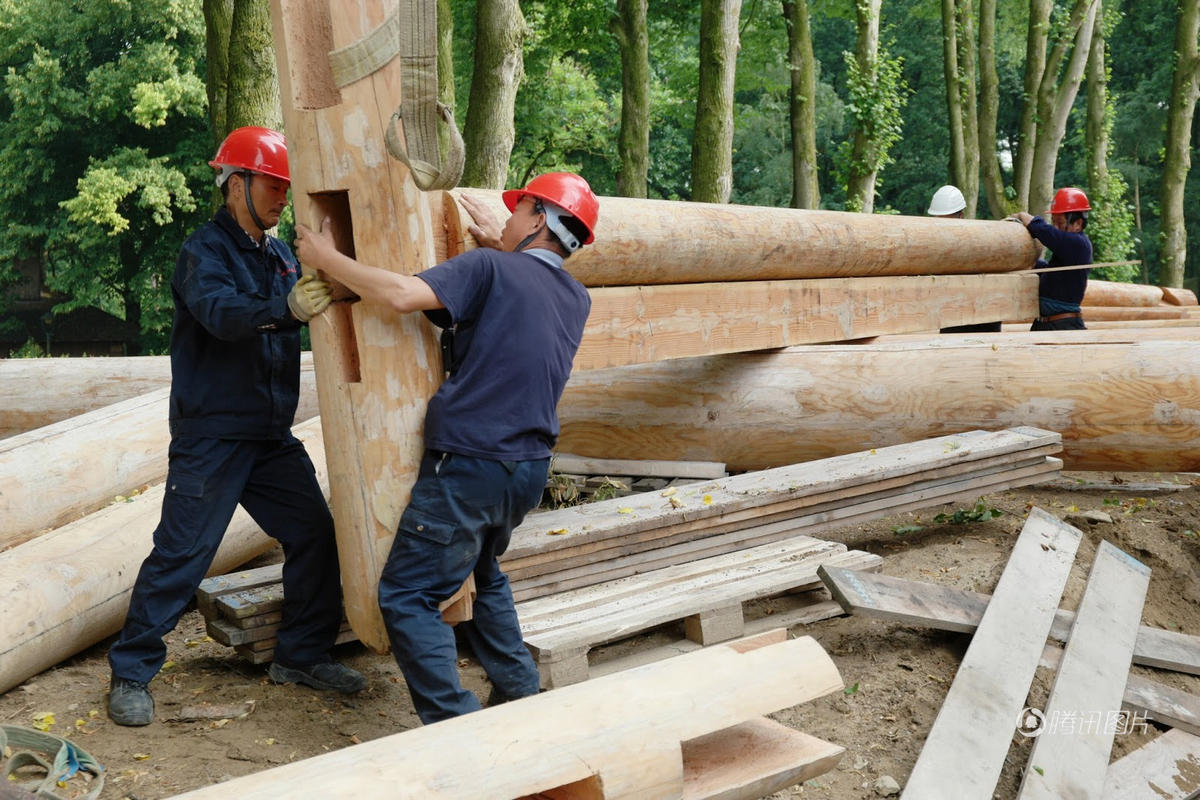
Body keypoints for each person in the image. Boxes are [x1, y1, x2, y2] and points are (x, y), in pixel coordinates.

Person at [293, 172, 598, 724]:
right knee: (482, 571)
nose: (504, 220)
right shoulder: (575, 298)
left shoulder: (489, 269)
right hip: (526, 470)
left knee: (407, 596)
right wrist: (497, 251)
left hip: (471, 462)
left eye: (516, 211)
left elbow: (403, 294)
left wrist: (324, 255)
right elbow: (508, 309)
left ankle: (456, 728)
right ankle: (519, 696)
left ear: (537, 219)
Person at [106, 126, 366, 727]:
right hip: (214, 434)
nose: (281, 196)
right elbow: (224, 316)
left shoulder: (279, 255)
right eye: (271, 184)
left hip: (270, 435)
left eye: (284, 186)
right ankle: (131, 670)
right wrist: (287, 309)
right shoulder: (204, 252)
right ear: (235, 184)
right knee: (183, 554)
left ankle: (300, 655)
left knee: (315, 536)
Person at [1010, 187, 1093, 331]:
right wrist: (1034, 265)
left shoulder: (1079, 244)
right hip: (1046, 323)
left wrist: (1025, 217)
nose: (1055, 227)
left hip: (1064, 327)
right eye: (1053, 222)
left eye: (1060, 223)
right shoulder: (1069, 249)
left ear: (1078, 224)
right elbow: (1054, 273)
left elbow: (1047, 233)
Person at [929, 185, 1003, 333]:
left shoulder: (981, 241)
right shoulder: (934, 246)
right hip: (951, 319)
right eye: (938, 221)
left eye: (946, 220)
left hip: (985, 318)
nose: (941, 227)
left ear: (961, 216)